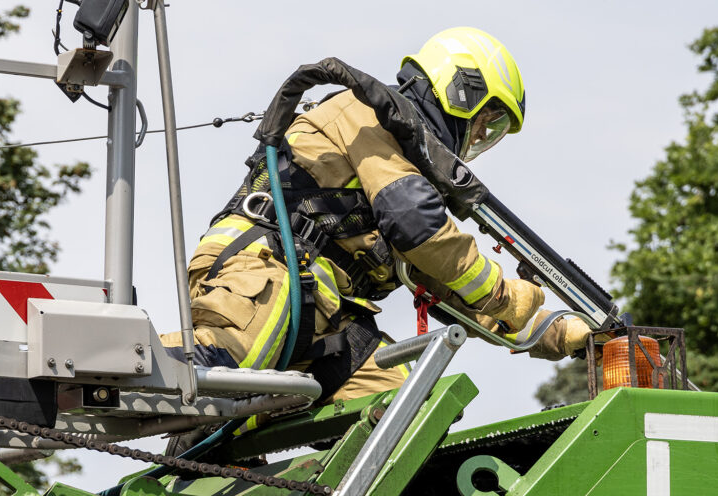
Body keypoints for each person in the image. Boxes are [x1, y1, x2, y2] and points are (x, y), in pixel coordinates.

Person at [161, 27, 591, 401]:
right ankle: (137, 360)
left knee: (404, 408)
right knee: (227, 363)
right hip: (262, 268)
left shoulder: (406, 163)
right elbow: (418, 225)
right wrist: (503, 294)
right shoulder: (368, 116)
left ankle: (252, 450)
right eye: (486, 121)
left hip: (321, 307)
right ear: (461, 90)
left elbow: (452, 289)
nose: (480, 136)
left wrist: (551, 329)